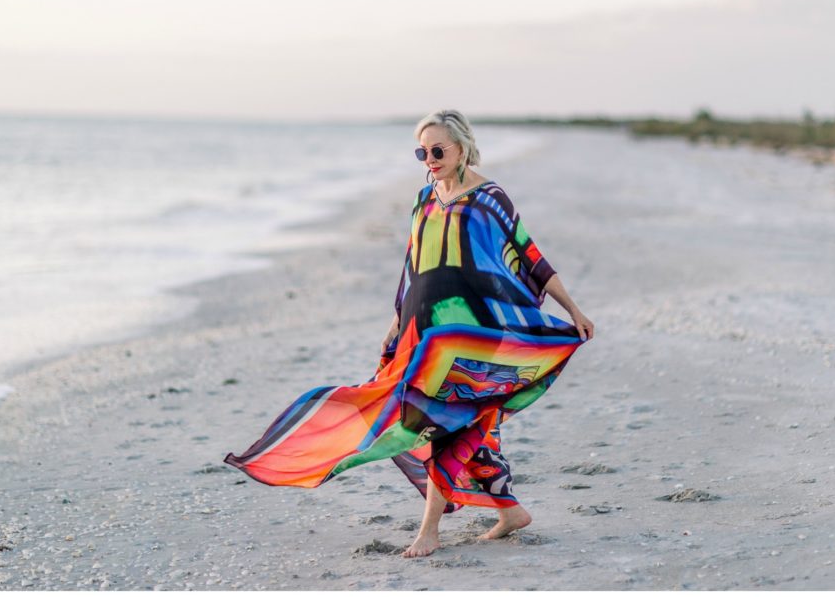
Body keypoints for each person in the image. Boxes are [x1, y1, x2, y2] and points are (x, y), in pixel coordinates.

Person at [225, 109, 594, 559]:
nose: (430, 159)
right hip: (425, 329)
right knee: (452, 420)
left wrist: (571, 308)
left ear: (462, 147)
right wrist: (396, 322)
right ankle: (509, 510)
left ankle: (430, 530)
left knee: (440, 421)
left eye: (438, 150)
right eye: (422, 151)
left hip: (472, 331)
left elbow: (529, 255)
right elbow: (412, 266)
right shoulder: (424, 198)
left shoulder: (490, 198)